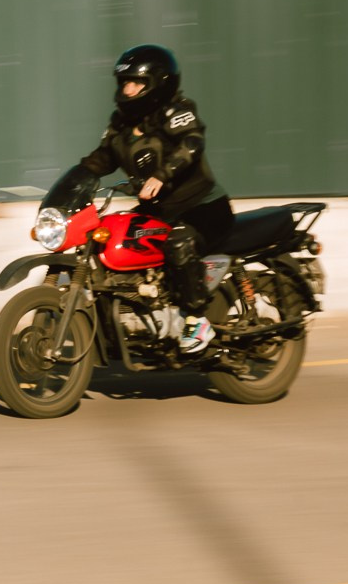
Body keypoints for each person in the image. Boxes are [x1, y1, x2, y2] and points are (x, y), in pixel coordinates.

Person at [43, 43, 233, 353]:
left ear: (158, 83)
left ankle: (197, 321)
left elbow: (192, 142)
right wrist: (70, 187)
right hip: (159, 210)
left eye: (137, 83)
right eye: (124, 82)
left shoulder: (176, 110)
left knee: (178, 242)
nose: (128, 89)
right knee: (115, 239)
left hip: (204, 209)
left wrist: (163, 175)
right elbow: (101, 159)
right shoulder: (120, 123)